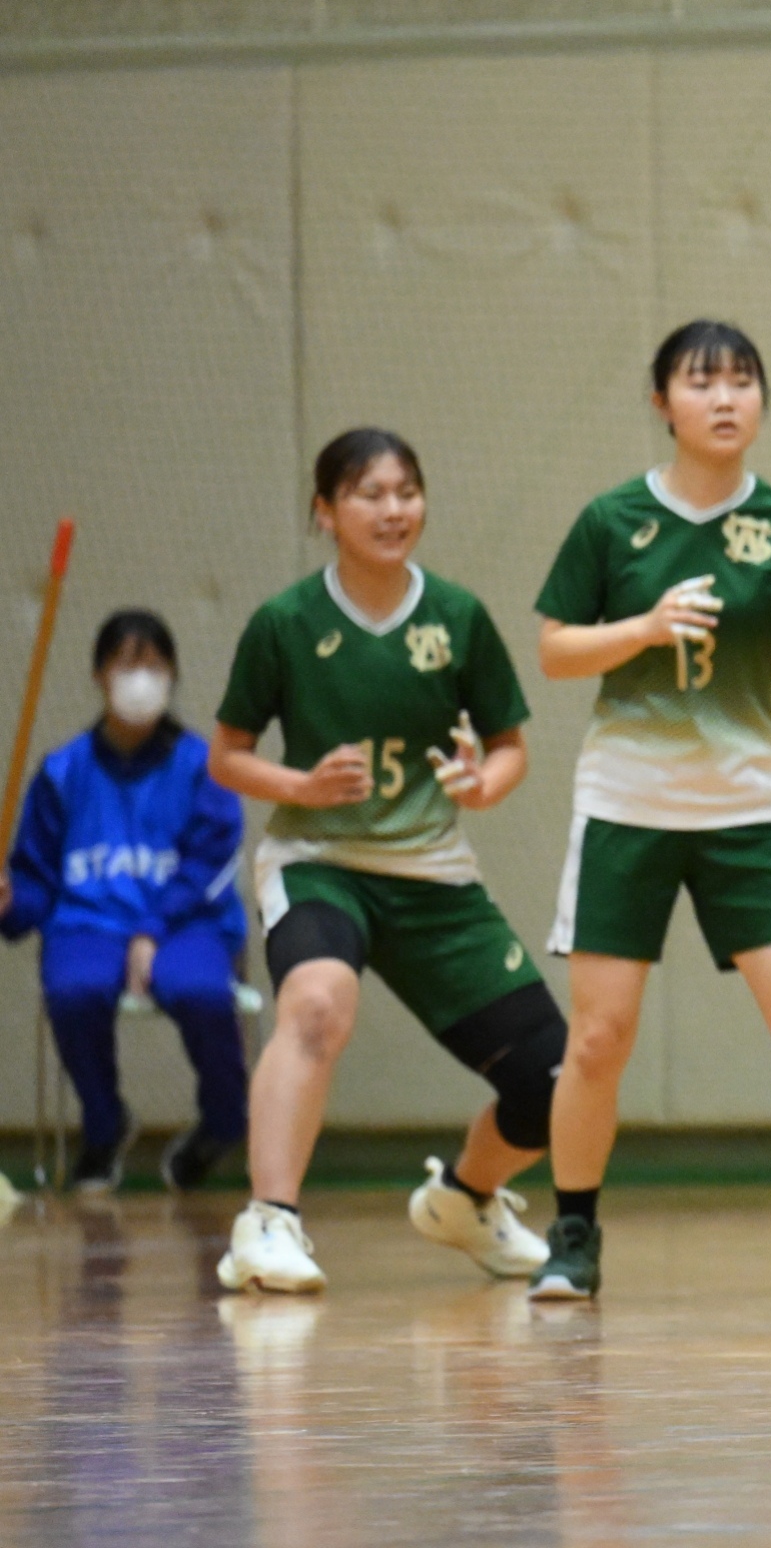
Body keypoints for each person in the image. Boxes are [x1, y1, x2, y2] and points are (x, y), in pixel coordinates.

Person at [529, 320, 771, 1300]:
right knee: (598, 1038)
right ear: (662, 403)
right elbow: (554, 651)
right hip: (627, 803)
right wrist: (641, 628)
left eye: (740, 381)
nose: (724, 398)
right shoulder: (611, 520)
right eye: (700, 382)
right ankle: (573, 1234)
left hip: (747, 809)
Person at [210, 428, 565, 1292]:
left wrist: (483, 784)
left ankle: (465, 1200)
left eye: (406, 491)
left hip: (432, 871)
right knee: (317, 1004)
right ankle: (268, 1221)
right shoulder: (285, 623)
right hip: (319, 861)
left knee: (553, 1081)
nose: (393, 509)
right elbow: (227, 756)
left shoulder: (457, 616)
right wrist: (301, 783)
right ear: (325, 512)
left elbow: (509, 748)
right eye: (369, 494)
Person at [2, 610, 250, 1192]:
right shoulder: (62, 772)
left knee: (199, 991)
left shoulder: (204, 767)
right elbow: (36, 880)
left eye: (155, 666)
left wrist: (151, 929)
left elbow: (211, 863)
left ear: (173, 676)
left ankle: (224, 1122)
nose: (141, 679)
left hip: (187, 923)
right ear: (99, 675)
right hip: (88, 922)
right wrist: (10, 903)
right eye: (126, 664)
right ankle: (104, 1124)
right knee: (73, 990)